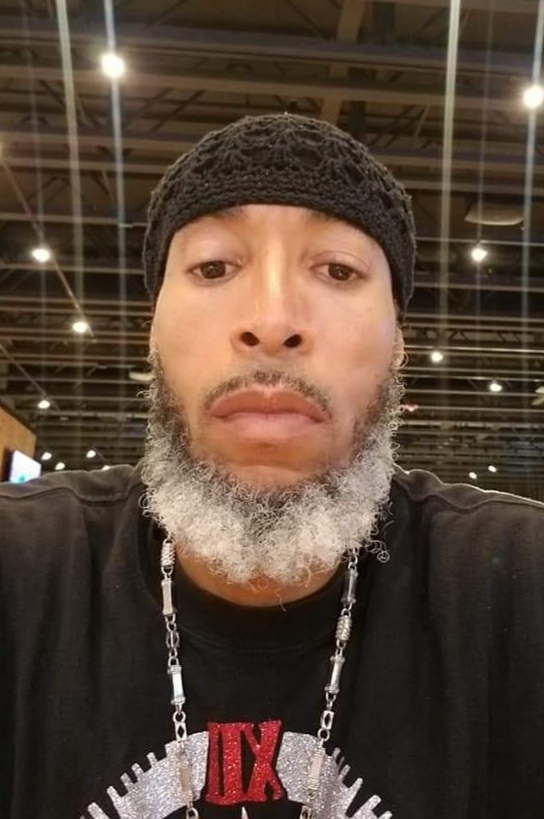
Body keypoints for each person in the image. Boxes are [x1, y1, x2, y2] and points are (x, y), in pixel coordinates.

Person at [1, 114, 543, 819]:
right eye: (214, 267)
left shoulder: (518, 587)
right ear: (152, 333)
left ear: (398, 345)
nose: (273, 318)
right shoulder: (21, 570)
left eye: (339, 269)